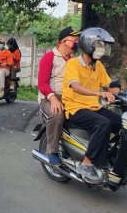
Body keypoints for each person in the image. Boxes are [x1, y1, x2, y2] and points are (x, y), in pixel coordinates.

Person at [62, 27, 122, 184]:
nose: (102, 49)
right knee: (103, 123)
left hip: (94, 107)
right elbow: (75, 86)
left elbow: (110, 86)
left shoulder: (98, 66)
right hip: (75, 108)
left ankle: (109, 156)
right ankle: (86, 163)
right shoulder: (73, 63)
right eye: (100, 45)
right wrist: (99, 94)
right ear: (89, 45)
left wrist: (123, 94)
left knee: (122, 124)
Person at [38, 26, 81, 166]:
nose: (77, 42)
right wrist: (53, 99)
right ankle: (52, 151)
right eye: (74, 39)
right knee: (57, 114)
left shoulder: (75, 60)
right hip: (50, 97)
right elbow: (42, 83)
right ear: (63, 41)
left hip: (71, 98)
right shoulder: (49, 57)